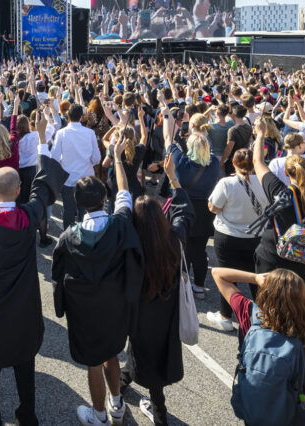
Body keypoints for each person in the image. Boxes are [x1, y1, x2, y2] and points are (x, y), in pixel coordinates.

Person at [0, 116, 64, 426]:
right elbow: (44, 188)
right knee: (25, 371)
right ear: (19, 190)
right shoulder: (28, 217)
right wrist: (43, 140)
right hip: (22, 310)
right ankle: (26, 416)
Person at [212, 228, 305, 425]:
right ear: (303, 299)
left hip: (254, 404)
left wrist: (255, 278)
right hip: (290, 413)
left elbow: (217, 273)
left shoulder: (249, 313)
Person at [52, 140, 141, 425]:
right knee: (112, 352)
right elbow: (125, 192)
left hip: (85, 307)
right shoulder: (120, 224)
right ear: (105, 198)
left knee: (93, 359)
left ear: (78, 203)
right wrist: (116, 158)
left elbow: (59, 276)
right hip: (115, 302)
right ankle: (116, 405)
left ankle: (99, 414)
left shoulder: (68, 237)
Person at [251, 116, 305, 380]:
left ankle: (270, 348)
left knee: (270, 303)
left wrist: (259, 135)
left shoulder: (279, 191)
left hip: (275, 257)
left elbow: (258, 163)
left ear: (287, 173)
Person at [123, 152, 188, 426]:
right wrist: (172, 178)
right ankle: (132, 383)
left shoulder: (130, 249)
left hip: (139, 313)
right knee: (156, 354)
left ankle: (159, 412)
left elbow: (122, 211)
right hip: (168, 312)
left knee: (141, 354)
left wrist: (119, 164)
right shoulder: (173, 240)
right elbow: (184, 210)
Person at [205, 148, 269, 332]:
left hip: (228, 235)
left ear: (234, 163)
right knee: (256, 277)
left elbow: (213, 207)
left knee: (228, 277)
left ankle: (226, 316)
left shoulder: (226, 183)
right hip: (255, 235)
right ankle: (262, 315)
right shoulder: (264, 181)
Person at [163, 107, 221, 298]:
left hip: (183, 207)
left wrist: (167, 116)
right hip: (204, 211)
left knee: (182, 246)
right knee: (200, 249)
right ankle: (199, 286)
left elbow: (167, 139)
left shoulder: (181, 163)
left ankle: (184, 281)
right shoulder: (213, 163)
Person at [51, 104, 102, 230]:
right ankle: (84, 236)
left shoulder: (61, 133)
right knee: (84, 211)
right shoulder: (89, 133)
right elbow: (96, 158)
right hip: (86, 178)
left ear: (68, 116)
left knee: (69, 211)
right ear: (81, 117)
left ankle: (69, 238)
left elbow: (55, 157)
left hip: (68, 180)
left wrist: (65, 162)